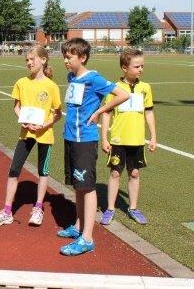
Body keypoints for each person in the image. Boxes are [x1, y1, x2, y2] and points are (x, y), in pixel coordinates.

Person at [57, 38, 129, 256]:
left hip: (85, 140)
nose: (65, 61)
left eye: (69, 57)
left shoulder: (94, 79)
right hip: (70, 137)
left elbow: (123, 94)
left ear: (83, 57)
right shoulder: (71, 77)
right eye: (64, 57)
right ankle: (78, 226)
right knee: (78, 186)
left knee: (87, 187)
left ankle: (87, 238)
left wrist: (99, 111)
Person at [0, 46, 62, 228]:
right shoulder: (21, 82)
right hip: (26, 133)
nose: (29, 63)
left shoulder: (51, 86)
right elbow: (17, 107)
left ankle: (38, 208)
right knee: (14, 170)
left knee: (43, 172)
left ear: (43, 60)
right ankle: (7, 212)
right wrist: (22, 120)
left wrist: (44, 125)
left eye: (32, 59)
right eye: (27, 60)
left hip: (44, 135)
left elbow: (57, 113)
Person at [100, 49, 157, 225]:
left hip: (137, 140)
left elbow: (149, 112)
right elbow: (106, 113)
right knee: (115, 173)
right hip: (118, 139)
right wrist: (104, 138)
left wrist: (153, 136)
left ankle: (133, 208)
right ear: (125, 68)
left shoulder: (145, 88)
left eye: (142, 66)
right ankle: (110, 208)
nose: (141, 69)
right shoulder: (114, 88)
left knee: (134, 173)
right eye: (137, 66)